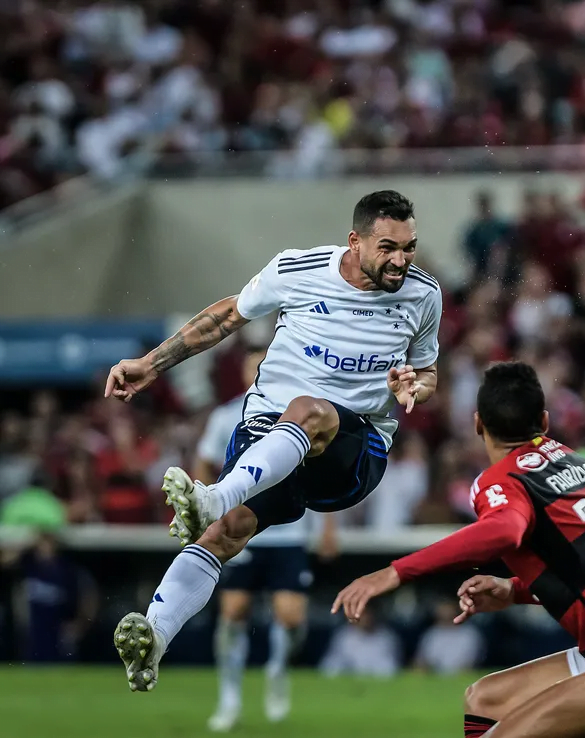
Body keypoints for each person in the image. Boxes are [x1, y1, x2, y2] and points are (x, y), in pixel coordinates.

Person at [106, 190, 443, 693]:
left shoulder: (423, 294)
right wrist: (151, 365)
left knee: (310, 413)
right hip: (270, 434)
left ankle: (214, 496)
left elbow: (429, 370)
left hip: (356, 449)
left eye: (409, 247)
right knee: (226, 531)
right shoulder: (297, 269)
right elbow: (226, 317)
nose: (400, 260)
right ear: (355, 241)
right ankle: (155, 639)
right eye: (388, 247)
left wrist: (415, 385)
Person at [333, 362, 585, 738]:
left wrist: (394, 572)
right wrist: (513, 590)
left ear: (478, 423)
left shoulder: (499, 480)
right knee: (485, 699)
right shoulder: (576, 463)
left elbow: (506, 530)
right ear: (544, 421)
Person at [193, 346, 336, 731]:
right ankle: (229, 698)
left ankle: (276, 672)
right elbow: (204, 461)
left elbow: (324, 475)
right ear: (242, 373)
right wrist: (203, 507)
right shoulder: (228, 415)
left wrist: (328, 527)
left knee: (291, 618)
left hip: (290, 531)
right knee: (233, 613)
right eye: (250, 365)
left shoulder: (305, 414)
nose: (256, 370)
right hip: (244, 533)